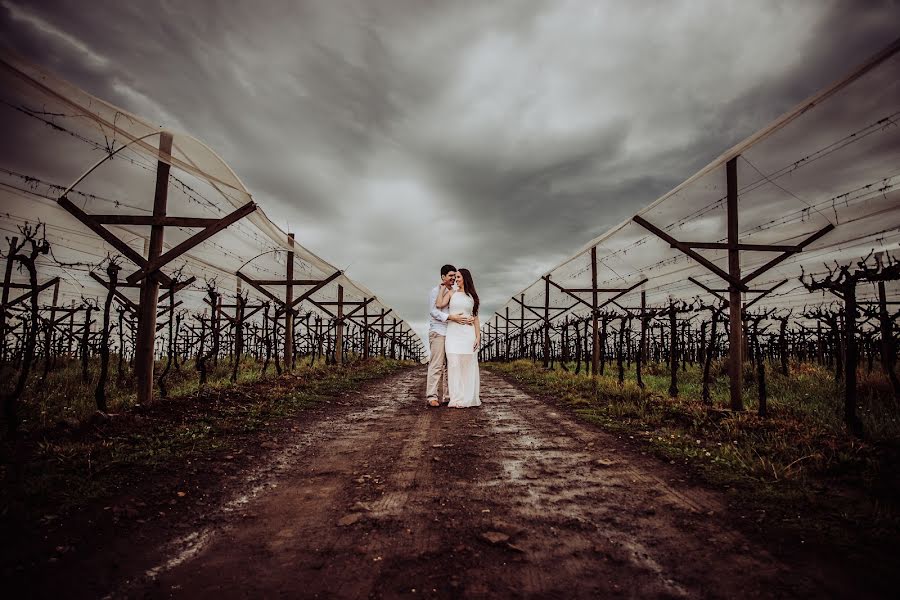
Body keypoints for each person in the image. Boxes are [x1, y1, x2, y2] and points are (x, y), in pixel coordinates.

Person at [426, 265, 473, 407]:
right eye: (450, 276)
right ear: (443, 277)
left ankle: (448, 396)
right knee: (437, 365)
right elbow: (434, 311)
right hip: (439, 331)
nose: (453, 278)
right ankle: (432, 396)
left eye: (455, 276)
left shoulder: (455, 292)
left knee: (450, 366)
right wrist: (451, 317)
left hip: (452, 333)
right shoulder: (435, 291)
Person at [435, 268, 481, 408]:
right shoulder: (451, 293)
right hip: (453, 333)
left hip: (468, 334)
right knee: (454, 364)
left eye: (459, 277)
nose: (456, 279)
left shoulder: (472, 296)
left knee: (467, 365)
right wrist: (442, 289)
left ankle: (466, 398)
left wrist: (478, 337)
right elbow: (439, 305)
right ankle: (456, 398)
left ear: (465, 278)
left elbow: (476, 318)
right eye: (455, 277)